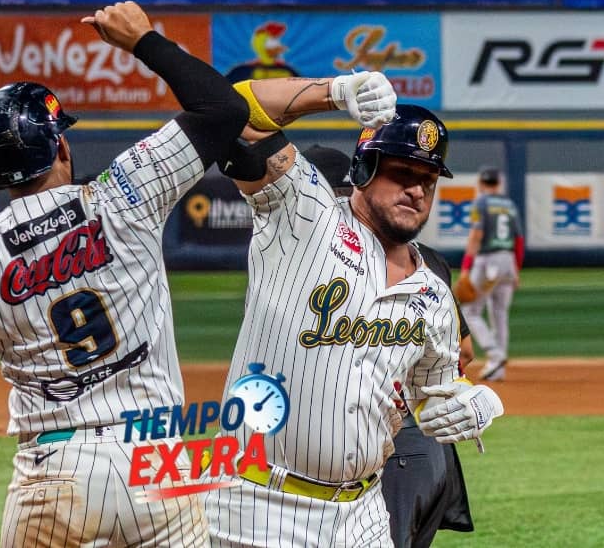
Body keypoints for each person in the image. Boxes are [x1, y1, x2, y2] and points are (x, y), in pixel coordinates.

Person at [0, 2, 255, 546]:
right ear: (61, 145)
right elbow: (224, 108)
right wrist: (143, 41)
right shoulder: (125, 192)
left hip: (54, 472)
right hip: (159, 462)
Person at [204, 91, 505, 546]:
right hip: (255, 506)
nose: (417, 190)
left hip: (362, 517)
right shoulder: (306, 220)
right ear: (363, 170)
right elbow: (238, 112)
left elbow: (432, 395)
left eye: (428, 180)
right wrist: (332, 92)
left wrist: (471, 402)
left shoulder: (434, 295)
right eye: (402, 173)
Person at [302, 144, 476, 547]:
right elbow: (462, 353)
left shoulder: (314, 255)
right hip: (429, 453)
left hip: (392, 454)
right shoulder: (425, 258)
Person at [461, 166, 525, 381]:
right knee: (500, 315)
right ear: (499, 183)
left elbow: (476, 235)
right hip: (508, 262)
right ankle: (497, 369)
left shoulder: (480, 203)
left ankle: (495, 355)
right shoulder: (509, 205)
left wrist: (466, 267)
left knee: (469, 312)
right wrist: (516, 269)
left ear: (481, 183)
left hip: (488, 262)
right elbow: (519, 241)